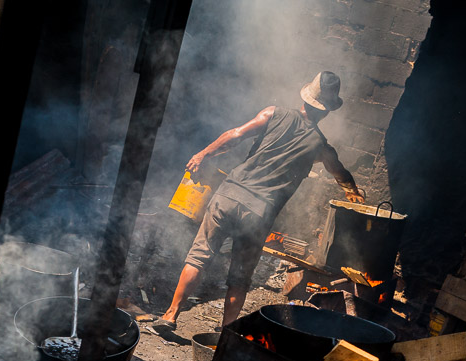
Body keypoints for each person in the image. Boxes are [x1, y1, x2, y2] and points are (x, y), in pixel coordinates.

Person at [155, 71, 365, 332]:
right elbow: (341, 173)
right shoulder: (322, 147)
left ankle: (170, 316)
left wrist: (203, 154)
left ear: (306, 98)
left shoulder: (272, 113)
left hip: (228, 196)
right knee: (240, 279)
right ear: (327, 111)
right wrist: (351, 190)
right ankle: (227, 333)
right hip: (259, 213)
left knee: (199, 256)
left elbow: (235, 135)